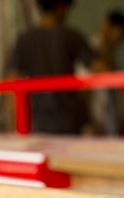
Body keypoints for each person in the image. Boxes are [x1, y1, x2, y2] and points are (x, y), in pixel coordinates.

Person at [9, 0, 95, 134]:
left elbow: (13, 83)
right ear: (61, 7)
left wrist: (15, 124)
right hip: (69, 120)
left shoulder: (24, 39)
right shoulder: (71, 36)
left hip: (37, 120)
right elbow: (98, 67)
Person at [88, 10, 124, 135]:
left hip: (110, 120)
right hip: (97, 120)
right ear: (107, 25)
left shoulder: (109, 52)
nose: (119, 40)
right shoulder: (91, 50)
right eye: (120, 34)